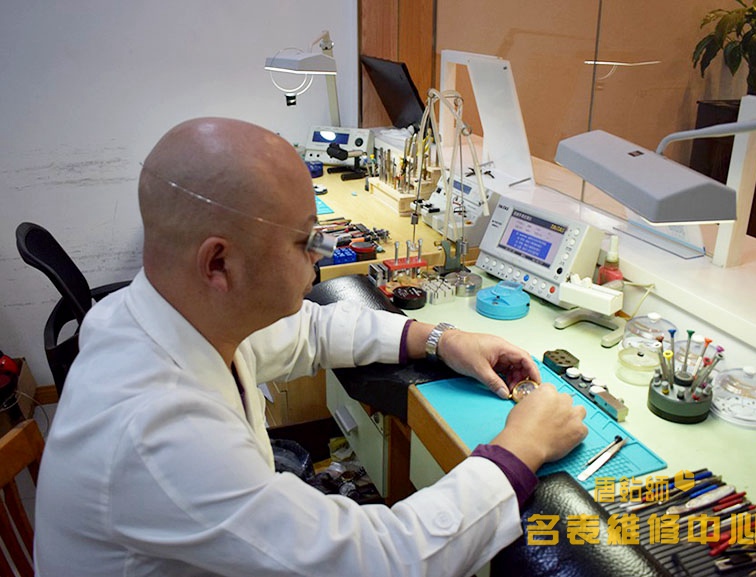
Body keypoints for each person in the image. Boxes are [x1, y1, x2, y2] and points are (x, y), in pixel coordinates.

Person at [34, 117, 587, 577]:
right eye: (305, 240)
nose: (322, 254)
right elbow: (381, 561)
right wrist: (521, 448)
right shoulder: (157, 430)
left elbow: (311, 330)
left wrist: (441, 339)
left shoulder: (164, 312)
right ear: (219, 263)